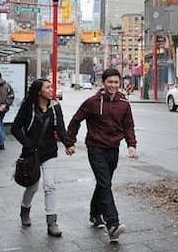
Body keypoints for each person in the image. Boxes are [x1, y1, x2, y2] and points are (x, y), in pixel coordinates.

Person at [64, 68, 137, 243]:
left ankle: (95, 214)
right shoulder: (92, 102)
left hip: (114, 148)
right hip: (96, 148)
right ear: (103, 83)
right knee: (105, 184)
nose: (113, 85)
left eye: (116, 82)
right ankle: (113, 224)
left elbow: (128, 125)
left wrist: (131, 145)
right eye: (110, 82)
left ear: (120, 83)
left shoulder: (124, 104)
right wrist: (69, 142)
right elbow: (75, 121)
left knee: (104, 183)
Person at [11, 79, 68, 237]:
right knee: (33, 187)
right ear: (39, 91)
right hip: (31, 153)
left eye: (51, 87)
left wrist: (68, 144)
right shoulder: (28, 107)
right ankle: (25, 210)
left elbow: (61, 129)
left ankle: (52, 222)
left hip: (49, 152)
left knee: (49, 185)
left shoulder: (55, 107)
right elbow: (15, 128)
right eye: (48, 87)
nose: (51, 90)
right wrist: (28, 144)